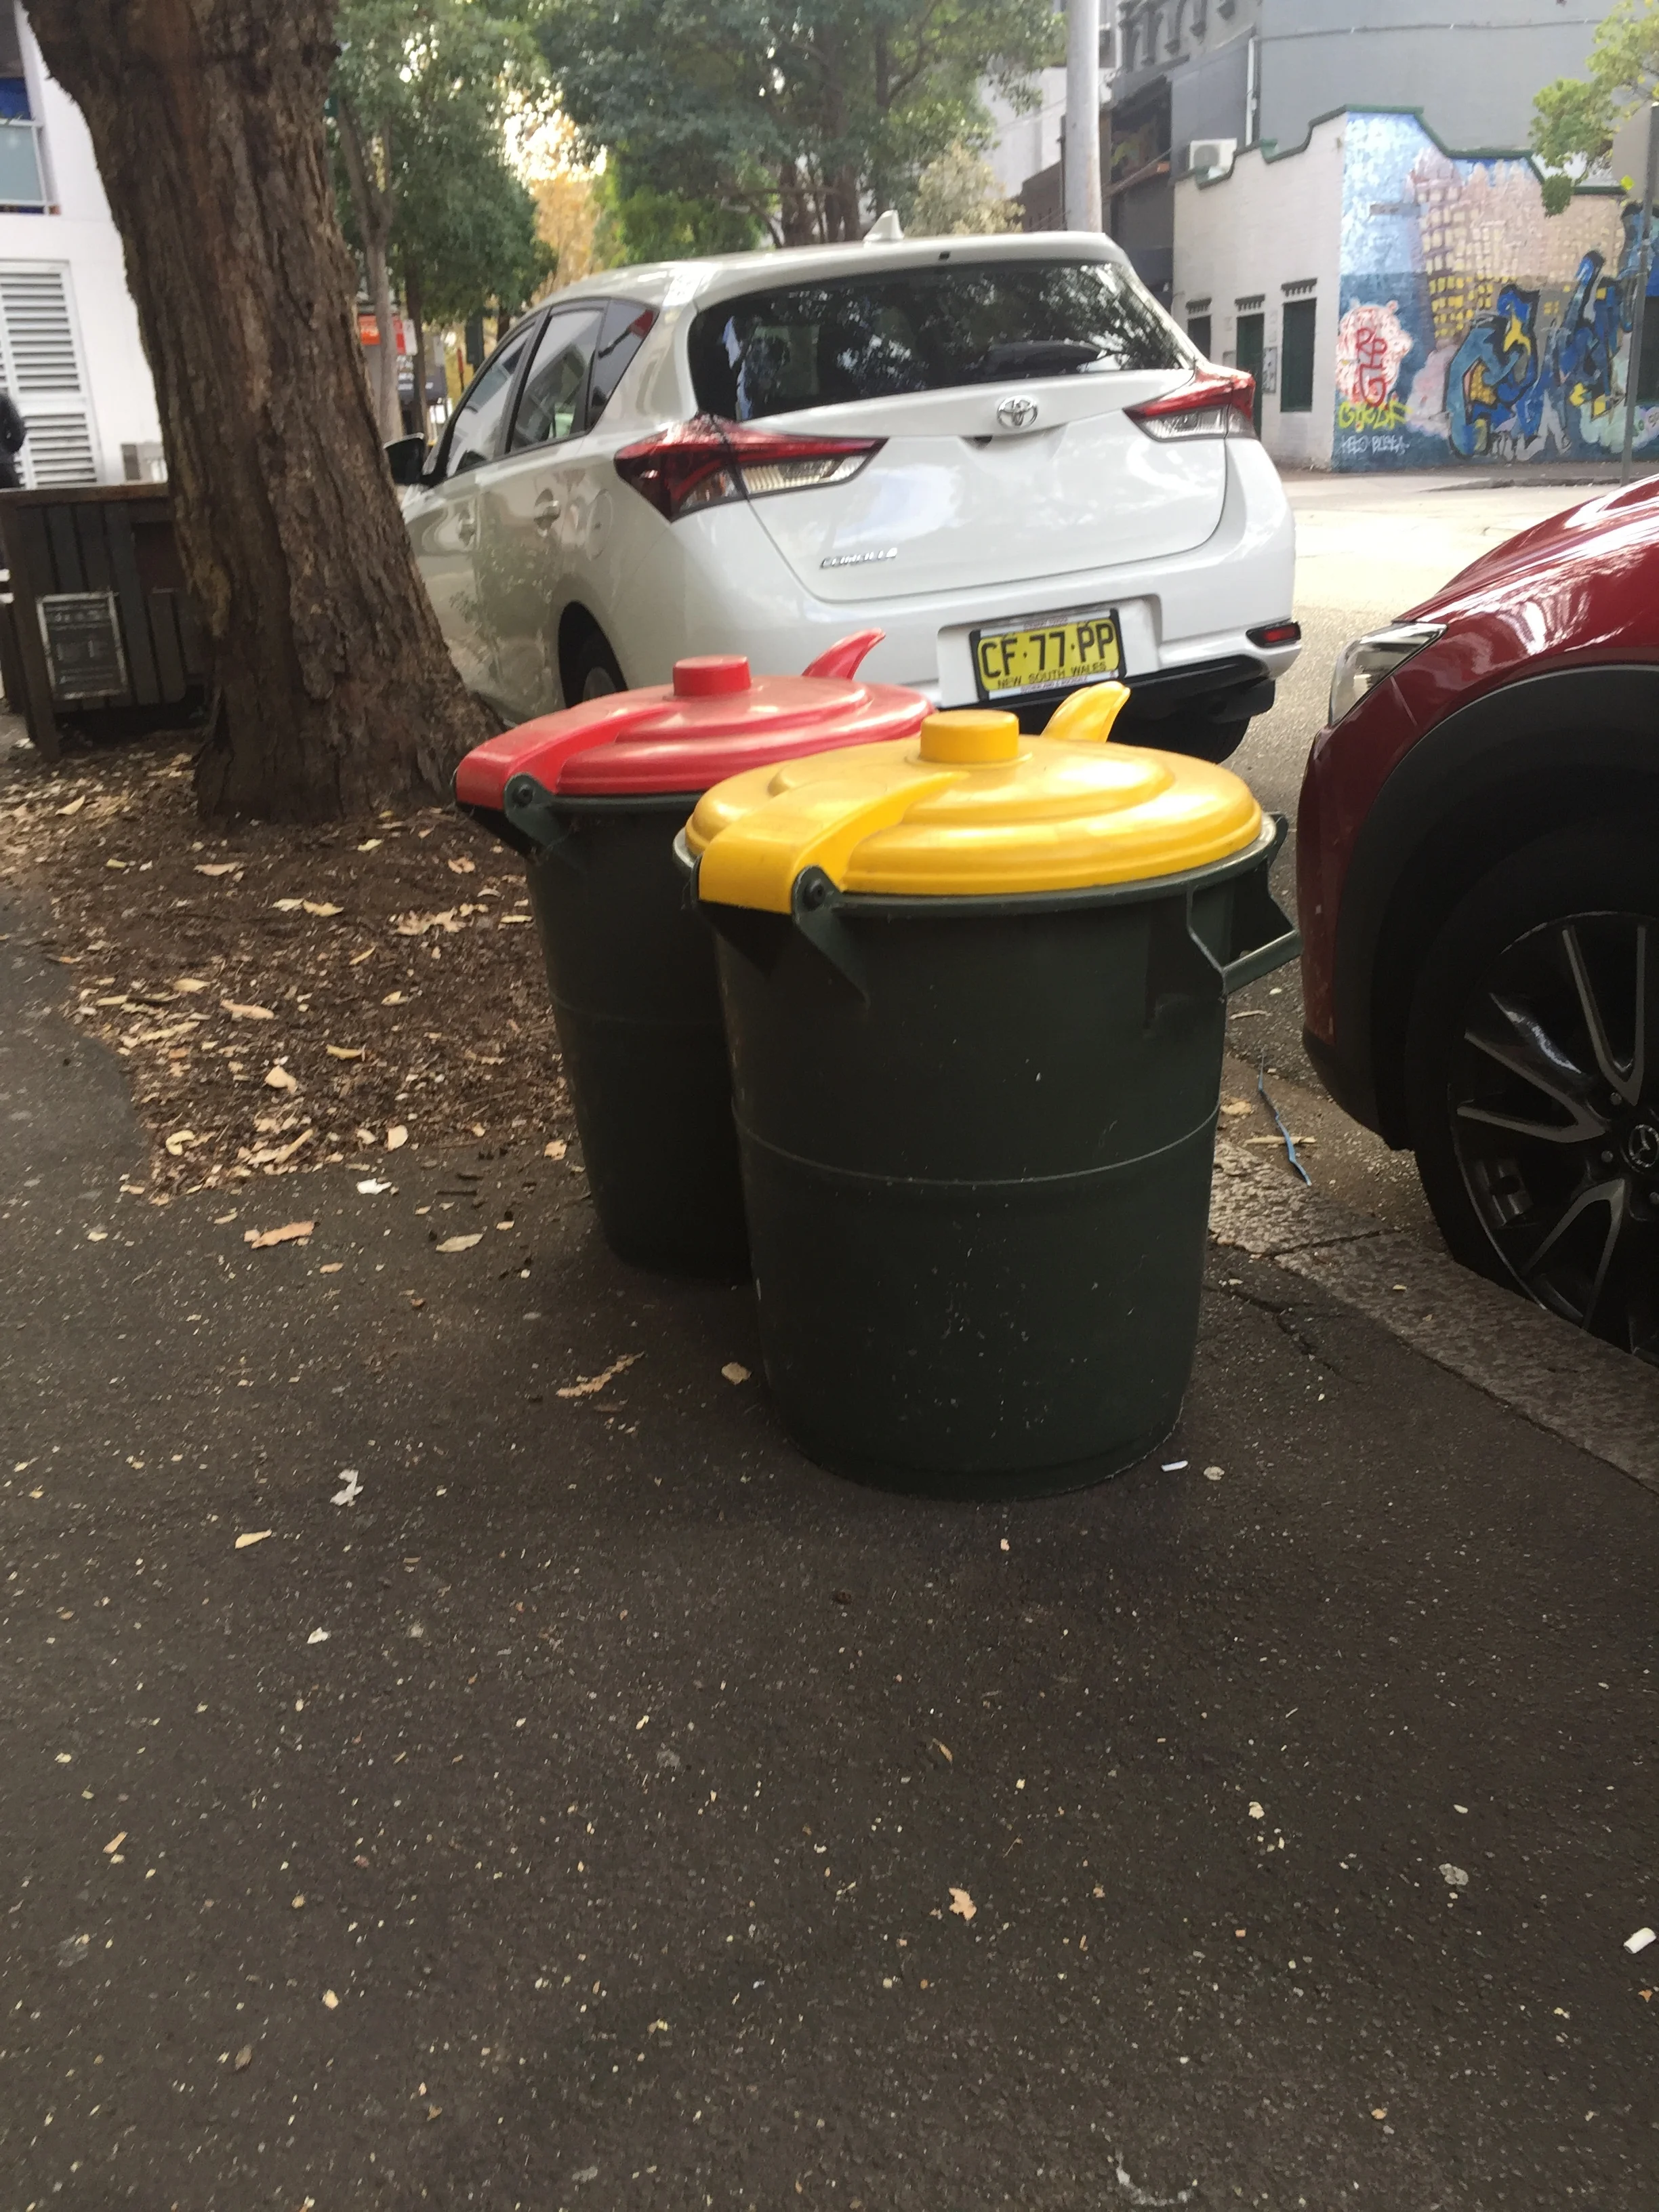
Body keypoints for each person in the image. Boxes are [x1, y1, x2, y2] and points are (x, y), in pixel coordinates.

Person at [0, 389, 26, 489]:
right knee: (12, 497)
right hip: (3, 464)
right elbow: (18, 430)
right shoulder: (2, 398)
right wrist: (8, 449)